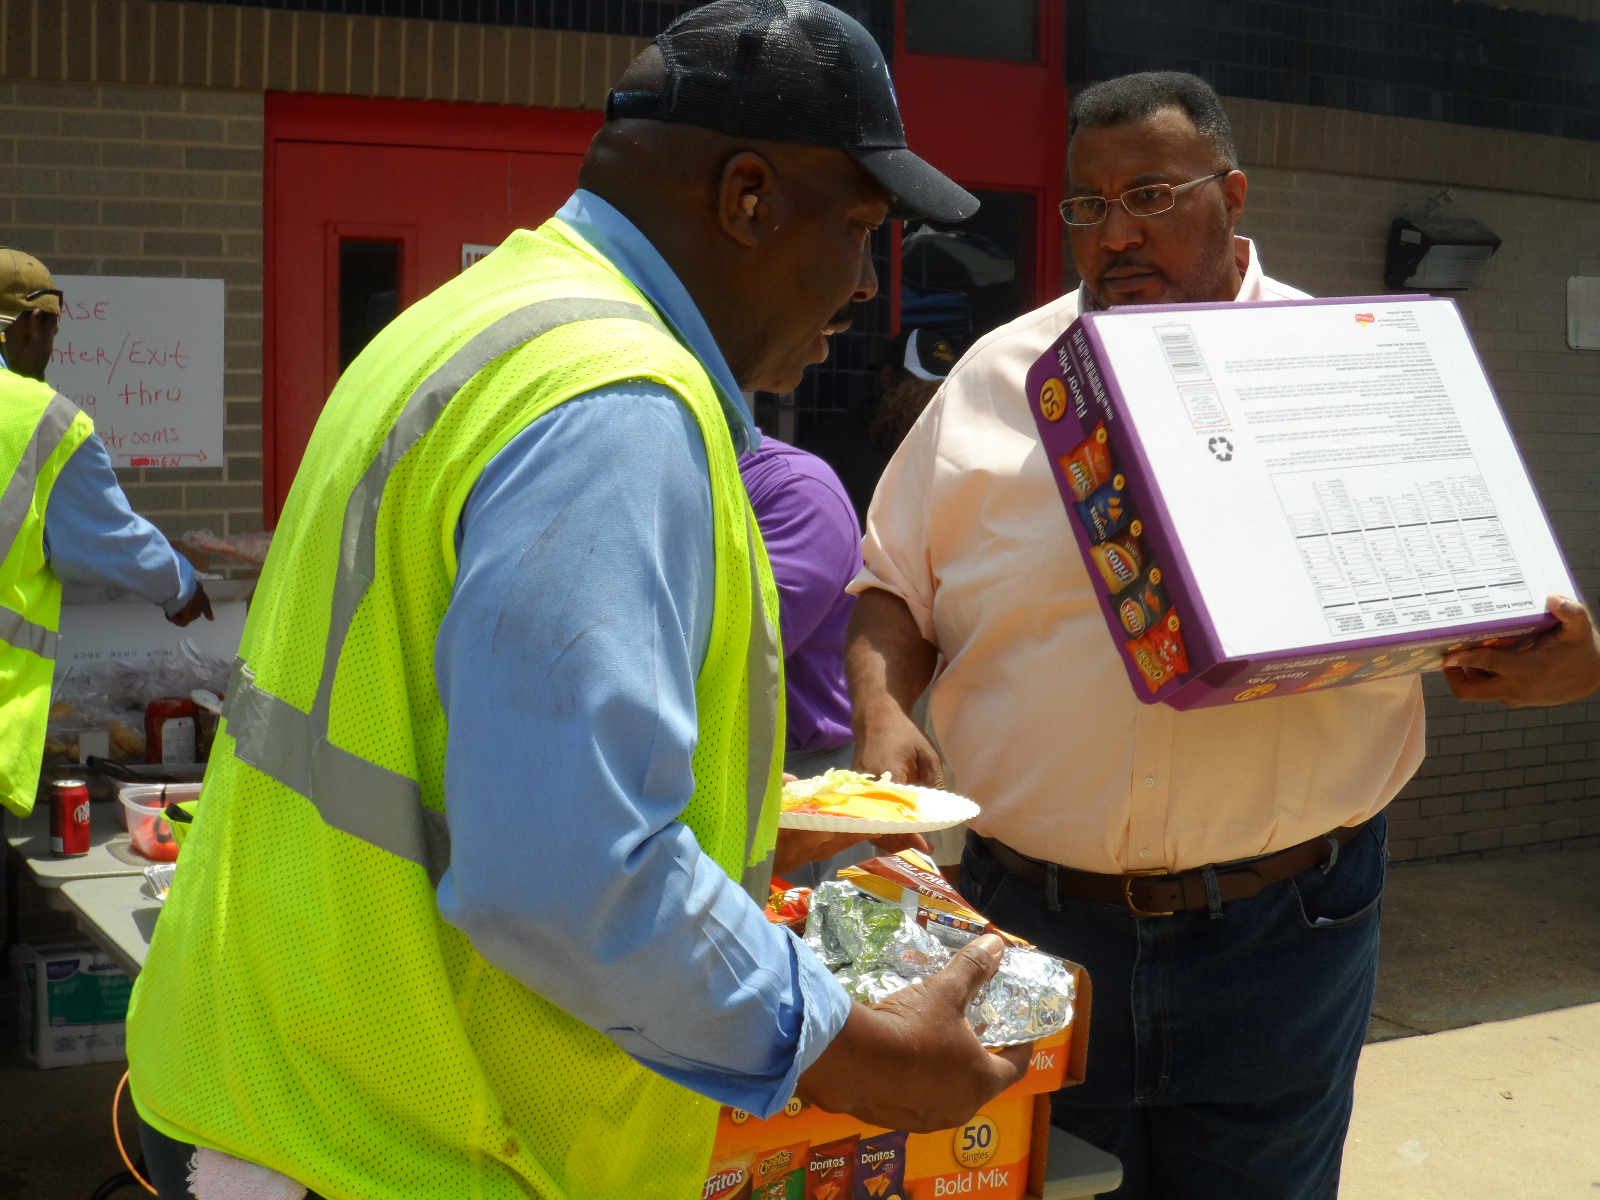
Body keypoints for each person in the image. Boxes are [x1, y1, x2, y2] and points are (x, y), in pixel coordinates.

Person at [126, 5, 1028, 1199]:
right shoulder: (619, 404)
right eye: (860, 229)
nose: (867, 285)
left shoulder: (473, 321)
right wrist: (855, 1055)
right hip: (412, 1140)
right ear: (747, 198)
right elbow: (568, 877)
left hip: (291, 1080)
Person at [845, 70, 1600, 1200]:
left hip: (1285, 929)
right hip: (1033, 926)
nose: (1116, 231)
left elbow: (1506, 611)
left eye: (1150, 191)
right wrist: (884, 708)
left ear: (1233, 193)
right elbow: (891, 587)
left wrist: (1561, 660)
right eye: (1087, 205)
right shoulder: (999, 380)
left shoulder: (1356, 371)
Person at [0, 247, 212, 817]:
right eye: (50, 329)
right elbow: (109, 538)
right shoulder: (39, 420)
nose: (51, 349)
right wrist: (182, 587)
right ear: (30, 323)